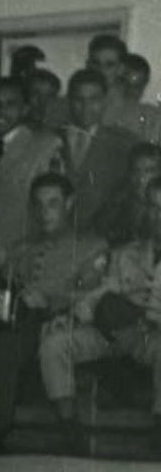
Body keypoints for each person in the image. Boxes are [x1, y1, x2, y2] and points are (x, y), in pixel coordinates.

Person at [0, 173, 106, 452]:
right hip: (18, 320)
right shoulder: (20, 249)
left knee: (5, 345)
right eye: (38, 204)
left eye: (53, 203)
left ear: (69, 204)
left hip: (57, 322)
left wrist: (51, 300)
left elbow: (94, 295)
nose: (44, 212)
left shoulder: (91, 246)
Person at [39, 175, 161, 455]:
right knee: (55, 343)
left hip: (151, 337)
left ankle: (159, 430)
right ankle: (69, 428)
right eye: (154, 208)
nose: (158, 216)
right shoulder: (127, 253)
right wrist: (72, 317)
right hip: (113, 332)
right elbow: (102, 292)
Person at [0, 77, 64, 255]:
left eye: (10, 104)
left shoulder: (46, 145)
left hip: (24, 252)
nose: (0, 110)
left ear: (25, 109)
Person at [60, 69, 140, 232]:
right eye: (78, 99)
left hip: (102, 237)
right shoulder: (52, 140)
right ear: (69, 100)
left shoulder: (124, 143)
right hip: (54, 240)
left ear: (104, 101)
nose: (85, 107)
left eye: (93, 99)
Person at [97, 142, 161, 247]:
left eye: (149, 171)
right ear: (129, 173)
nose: (141, 179)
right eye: (136, 171)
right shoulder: (119, 202)